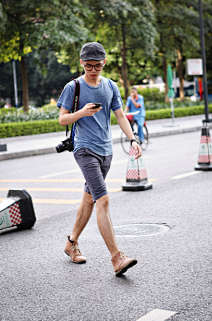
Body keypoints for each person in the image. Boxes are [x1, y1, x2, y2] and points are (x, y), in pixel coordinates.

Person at [57, 42, 142, 276]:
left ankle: (71, 243)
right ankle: (117, 257)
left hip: (107, 151)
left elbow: (121, 116)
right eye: (88, 66)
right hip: (85, 150)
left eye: (98, 66)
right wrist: (82, 112)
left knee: (88, 199)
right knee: (102, 200)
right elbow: (63, 119)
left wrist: (133, 140)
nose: (93, 70)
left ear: (104, 63)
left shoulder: (111, 86)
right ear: (81, 63)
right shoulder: (73, 87)